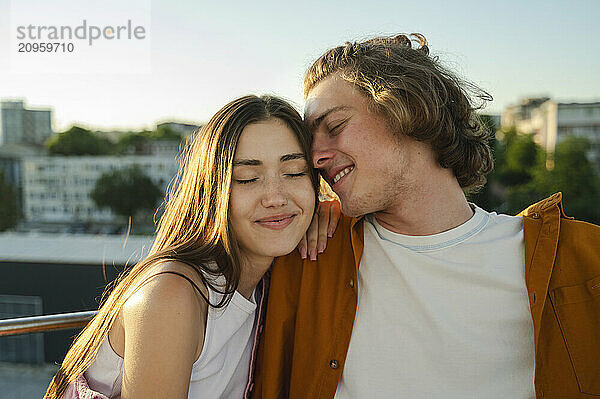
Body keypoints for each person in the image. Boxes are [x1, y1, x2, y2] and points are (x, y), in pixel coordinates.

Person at [252, 34, 600, 398]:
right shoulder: (309, 255)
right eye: (310, 143)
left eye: (335, 127)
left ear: (408, 108)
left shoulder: (578, 262)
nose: (317, 157)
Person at [44, 95, 338, 398]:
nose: (276, 196)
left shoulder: (267, 282)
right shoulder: (172, 295)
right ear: (211, 191)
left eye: (294, 173)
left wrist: (329, 211)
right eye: (247, 178)